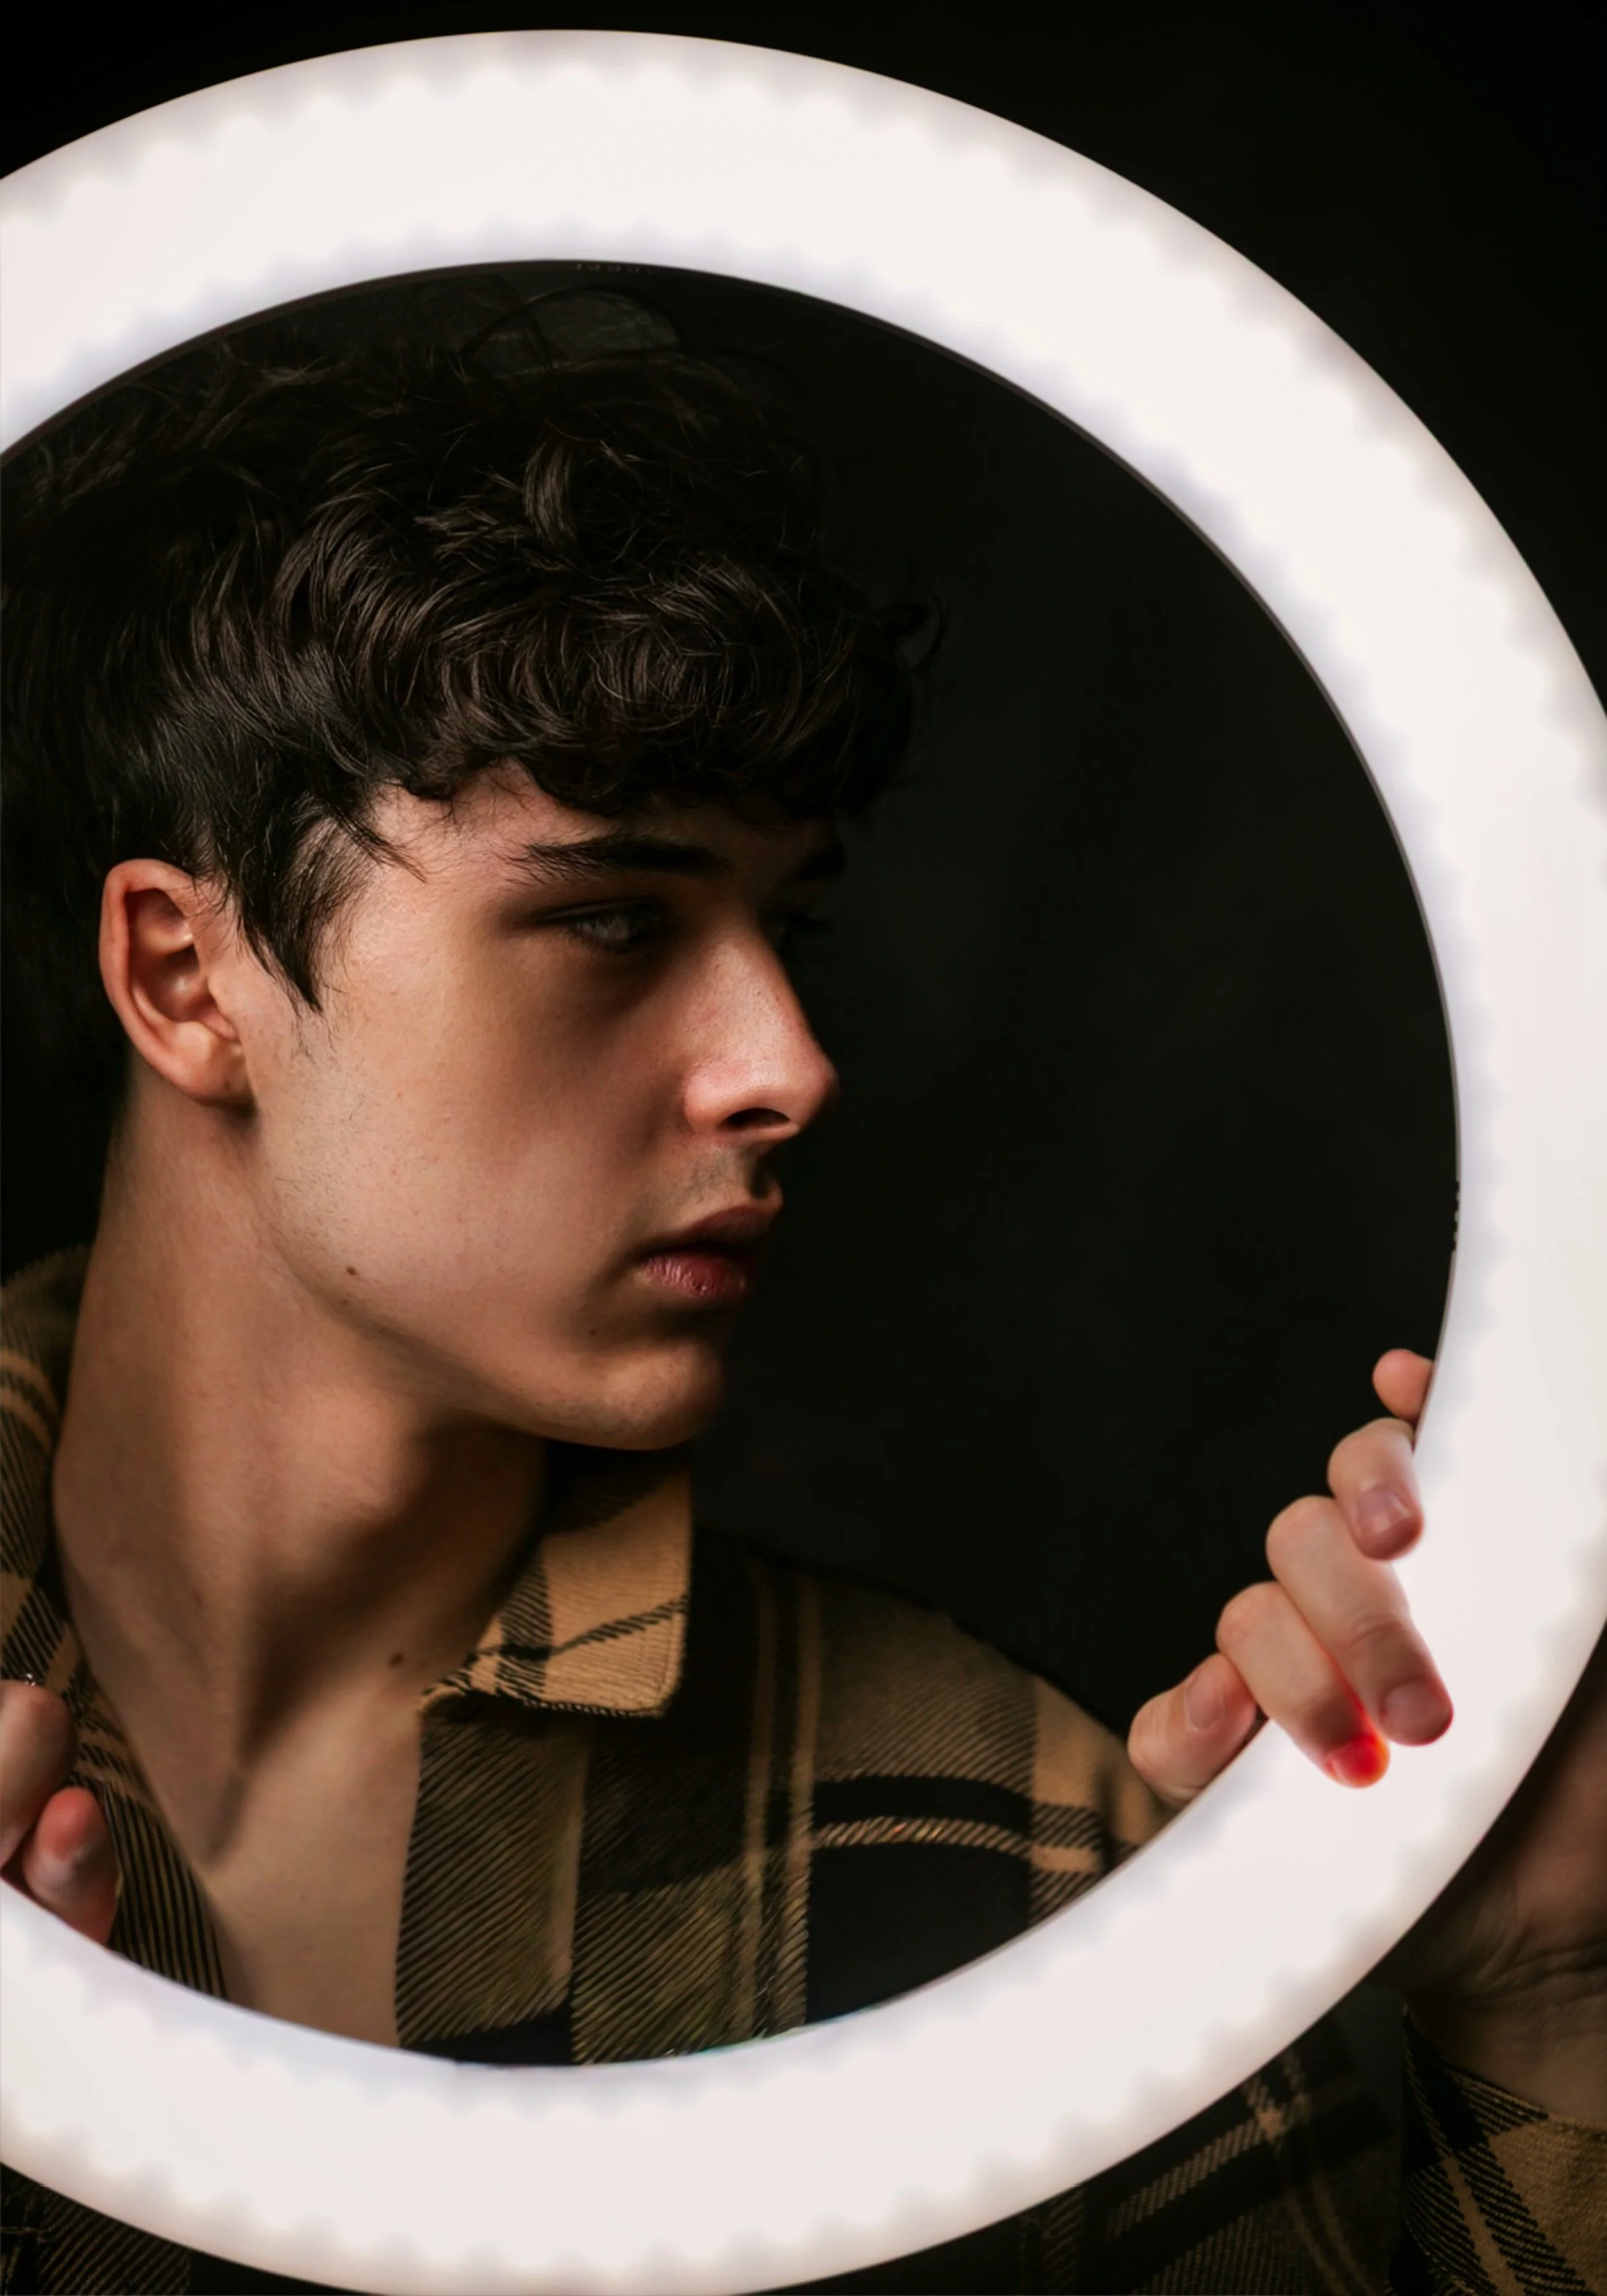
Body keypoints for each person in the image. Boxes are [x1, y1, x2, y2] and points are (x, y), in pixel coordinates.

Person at [1, 298, 1602, 2295]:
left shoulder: (1008, 1863)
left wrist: (1544, 2000)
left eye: (790, 923)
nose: (785, 1060)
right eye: (606, 917)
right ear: (182, 977)